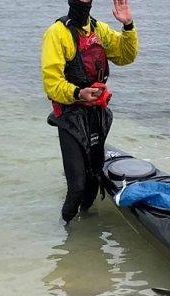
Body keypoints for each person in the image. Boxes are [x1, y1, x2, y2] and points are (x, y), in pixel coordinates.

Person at [41, 0, 138, 225]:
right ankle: (65, 240)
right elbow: (52, 83)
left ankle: (87, 239)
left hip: (95, 113)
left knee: (94, 181)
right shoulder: (56, 33)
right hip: (70, 116)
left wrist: (128, 25)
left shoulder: (98, 30)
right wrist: (78, 93)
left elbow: (126, 56)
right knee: (77, 187)